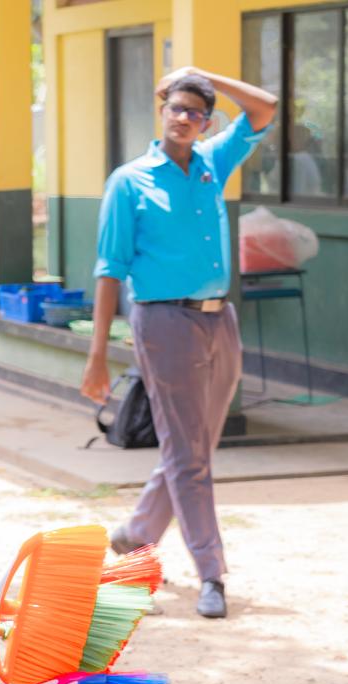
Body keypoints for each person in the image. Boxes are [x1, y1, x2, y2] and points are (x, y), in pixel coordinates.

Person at [81, 67, 277, 619]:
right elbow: (109, 271)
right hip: (163, 324)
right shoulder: (130, 181)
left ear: (207, 120)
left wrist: (202, 74)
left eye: (197, 112)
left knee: (192, 451)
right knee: (189, 456)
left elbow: (264, 108)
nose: (186, 118)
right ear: (161, 109)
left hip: (221, 321)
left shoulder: (213, 162)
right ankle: (211, 572)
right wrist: (98, 354)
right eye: (177, 107)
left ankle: (136, 531)